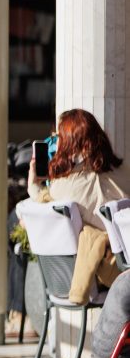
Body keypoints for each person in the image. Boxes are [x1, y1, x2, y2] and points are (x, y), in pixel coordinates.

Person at [28, 108, 130, 301]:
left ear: (69, 144)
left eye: (59, 138)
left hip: (104, 279)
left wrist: (33, 184)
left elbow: (41, 202)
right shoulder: (125, 170)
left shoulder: (65, 187)